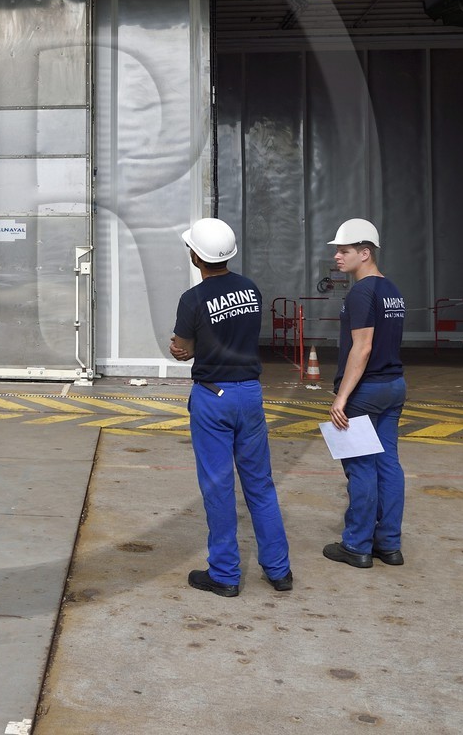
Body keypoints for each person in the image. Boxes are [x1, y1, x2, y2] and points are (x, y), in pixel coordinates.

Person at [169, 217, 293, 597]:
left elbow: (183, 347)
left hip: (213, 396)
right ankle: (279, 570)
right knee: (260, 485)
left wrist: (181, 350)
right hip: (250, 394)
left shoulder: (192, 300)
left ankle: (224, 574)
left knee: (219, 487)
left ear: (197, 257)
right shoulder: (250, 290)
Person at [323, 218, 407, 570]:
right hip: (394, 386)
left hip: (366, 391)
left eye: (344, 251)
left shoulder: (361, 292)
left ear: (365, 252)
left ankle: (356, 545)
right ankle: (388, 545)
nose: (338, 257)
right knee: (388, 464)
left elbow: (363, 347)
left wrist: (341, 398)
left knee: (361, 468)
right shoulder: (392, 290)